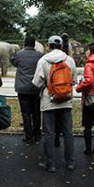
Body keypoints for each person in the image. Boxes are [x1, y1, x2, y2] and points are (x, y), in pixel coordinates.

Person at [32, 35, 77, 172]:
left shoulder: (43, 61)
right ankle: (70, 163)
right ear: (62, 46)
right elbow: (73, 81)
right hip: (66, 101)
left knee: (49, 133)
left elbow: (37, 83)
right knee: (68, 132)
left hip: (49, 101)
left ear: (48, 46)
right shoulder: (69, 60)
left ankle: (50, 164)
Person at [11, 35, 43, 144]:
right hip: (35, 87)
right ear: (34, 44)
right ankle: (37, 134)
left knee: (26, 113)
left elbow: (13, 62)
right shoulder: (40, 56)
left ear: (24, 44)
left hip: (22, 88)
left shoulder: (19, 55)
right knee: (36, 112)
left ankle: (28, 136)